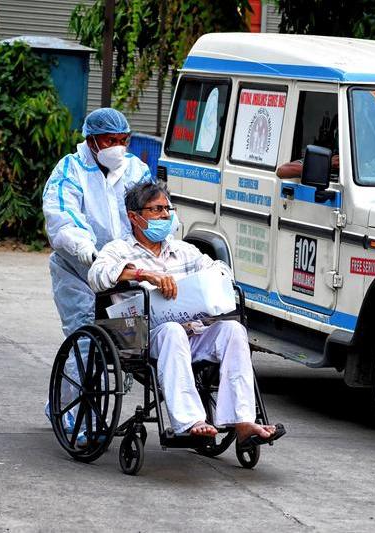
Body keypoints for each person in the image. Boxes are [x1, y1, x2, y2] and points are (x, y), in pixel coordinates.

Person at [88, 182, 280, 444]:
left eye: (168, 208)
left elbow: (220, 269)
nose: (165, 215)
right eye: (156, 210)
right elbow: (97, 276)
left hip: (192, 331)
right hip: (142, 337)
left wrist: (211, 280)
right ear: (134, 217)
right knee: (172, 330)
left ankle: (243, 421)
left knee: (234, 330)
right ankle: (190, 422)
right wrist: (145, 274)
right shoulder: (117, 250)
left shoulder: (183, 250)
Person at [42, 108, 153, 435]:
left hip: (123, 274)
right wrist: (89, 252)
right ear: (91, 140)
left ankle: (61, 404)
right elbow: (63, 220)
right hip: (78, 273)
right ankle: (75, 419)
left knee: (126, 347)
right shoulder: (70, 171)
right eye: (110, 140)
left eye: (123, 140)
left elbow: (150, 215)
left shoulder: (136, 170)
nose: (117, 147)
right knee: (85, 342)